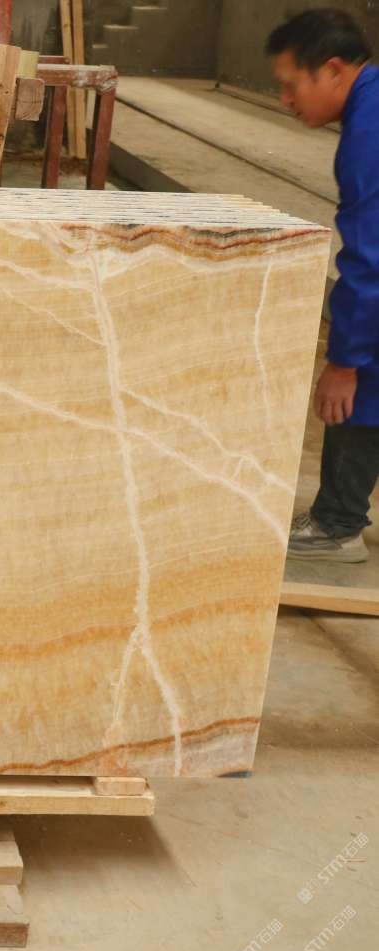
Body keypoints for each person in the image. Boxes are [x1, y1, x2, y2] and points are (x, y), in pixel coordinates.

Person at [269, 10, 379, 562]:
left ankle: (337, 526)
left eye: (292, 85)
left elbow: (370, 260)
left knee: (360, 384)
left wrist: (343, 362)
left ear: (334, 70)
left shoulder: (369, 133)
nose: (286, 100)